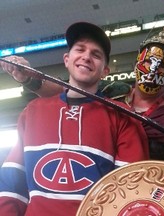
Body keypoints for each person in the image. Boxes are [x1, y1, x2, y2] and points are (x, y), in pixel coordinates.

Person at [6, 8, 164, 172]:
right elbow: (66, 91)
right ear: (136, 63)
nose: (153, 70)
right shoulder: (114, 91)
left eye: (161, 66)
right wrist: (29, 78)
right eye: (148, 61)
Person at [0, 22, 149, 216]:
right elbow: (12, 182)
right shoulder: (32, 111)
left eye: (96, 55)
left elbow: (132, 192)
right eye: (80, 49)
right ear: (66, 59)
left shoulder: (123, 117)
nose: (86, 57)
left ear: (105, 71)